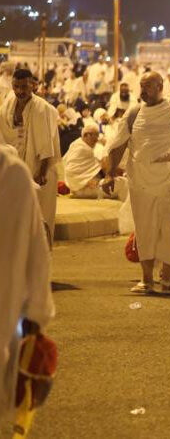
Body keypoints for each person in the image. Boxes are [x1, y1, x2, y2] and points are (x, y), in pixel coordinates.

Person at [101, 71, 170, 294]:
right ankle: (146, 279)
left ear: (160, 86)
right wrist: (108, 174)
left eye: (148, 86)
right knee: (144, 228)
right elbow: (118, 144)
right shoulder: (134, 112)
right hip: (140, 178)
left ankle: (167, 276)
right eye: (141, 86)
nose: (143, 91)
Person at [0, 147, 56, 422]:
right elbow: (38, 256)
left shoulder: (12, 175)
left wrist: (34, 319)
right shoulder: (12, 173)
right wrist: (36, 317)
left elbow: (36, 255)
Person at [0, 69, 61, 244]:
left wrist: (41, 173)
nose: (20, 91)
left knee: (40, 217)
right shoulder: (9, 103)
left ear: (32, 85)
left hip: (41, 170)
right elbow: (5, 133)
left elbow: (46, 144)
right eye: (16, 87)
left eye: (24, 87)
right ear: (12, 86)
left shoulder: (42, 109)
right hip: (18, 168)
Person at [63, 123, 107, 198]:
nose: (97, 139)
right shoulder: (81, 148)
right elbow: (70, 170)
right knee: (118, 185)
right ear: (87, 135)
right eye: (96, 135)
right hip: (82, 188)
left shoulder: (80, 144)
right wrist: (86, 182)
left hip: (88, 184)